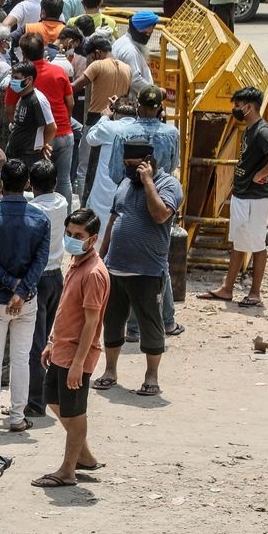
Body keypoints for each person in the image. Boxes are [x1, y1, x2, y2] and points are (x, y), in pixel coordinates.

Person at [93, 140, 181, 397]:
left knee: (150, 325)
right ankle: (110, 371)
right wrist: (100, 258)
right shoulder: (124, 183)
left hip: (147, 271)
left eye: (134, 165)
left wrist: (148, 182)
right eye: (126, 165)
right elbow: (113, 220)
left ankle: (151, 377)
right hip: (115, 269)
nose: (129, 169)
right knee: (112, 323)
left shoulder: (168, 185)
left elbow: (160, 215)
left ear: (149, 162)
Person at [32, 208, 110, 488]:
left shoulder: (94, 273)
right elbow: (66, 309)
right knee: (54, 399)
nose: (72, 239)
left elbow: (91, 322)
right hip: (62, 349)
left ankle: (68, 470)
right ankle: (84, 456)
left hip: (77, 354)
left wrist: (78, 363)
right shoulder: (77, 264)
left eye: (78, 235)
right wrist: (52, 341)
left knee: (75, 412)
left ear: (93, 238)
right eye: (69, 233)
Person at [0, 159, 51, 433]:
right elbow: (41, 260)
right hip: (26, 300)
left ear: (1, 183)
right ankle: (17, 417)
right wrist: (22, 290)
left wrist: (10, 284)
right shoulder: (41, 219)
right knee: (21, 358)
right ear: (27, 183)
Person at [195, 88, 268, 308]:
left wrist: (260, 174)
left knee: (257, 244)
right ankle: (227, 288)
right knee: (238, 243)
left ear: (249, 107)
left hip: (254, 198)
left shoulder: (262, 131)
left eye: (237, 105)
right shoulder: (249, 129)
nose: (235, 109)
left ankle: (255, 293)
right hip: (243, 195)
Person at [26, 160, 70, 417]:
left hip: (38, 279)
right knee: (47, 340)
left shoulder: (32, 210)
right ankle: (47, 394)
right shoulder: (62, 202)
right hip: (56, 277)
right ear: (55, 182)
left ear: (31, 184)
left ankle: (36, 402)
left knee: (36, 343)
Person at [16, 32, 75, 202]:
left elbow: (11, 110)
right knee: (64, 180)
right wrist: (65, 121)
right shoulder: (59, 71)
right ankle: (64, 216)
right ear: (44, 50)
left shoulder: (20, 77)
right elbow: (70, 102)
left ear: (23, 54)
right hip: (64, 134)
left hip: (36, 140)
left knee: (34, 182)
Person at [75, 36, 133, 198]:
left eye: (89, 58)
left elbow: (75, 86)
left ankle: (83, 204)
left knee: (84, 167)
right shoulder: (127, 68)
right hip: (118, 122)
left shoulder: (97, 65)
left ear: (96, 53)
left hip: (96, 120)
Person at [84, 97, 138, 225]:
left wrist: (104, 117)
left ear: (115, 112)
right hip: (132, 187)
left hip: (107, 188)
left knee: (101, 223)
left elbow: (90, 138)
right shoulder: (140, 129)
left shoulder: (109, 127)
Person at [5, 62, 57, 166]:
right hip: (16, 154)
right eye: (12, 77)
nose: (12, 81)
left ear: (29, 79)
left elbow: (52, 128)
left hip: (28, 157)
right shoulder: (23, 98)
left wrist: (41, 145)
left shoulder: (37, 100)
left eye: (16, 78)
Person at [114, 12, 158, 94]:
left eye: (150, 34)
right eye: (145, 33)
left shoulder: (121, 41)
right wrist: (154, 92)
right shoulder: (130, 51)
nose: (147, 36)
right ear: (134, 30)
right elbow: (135, 80)